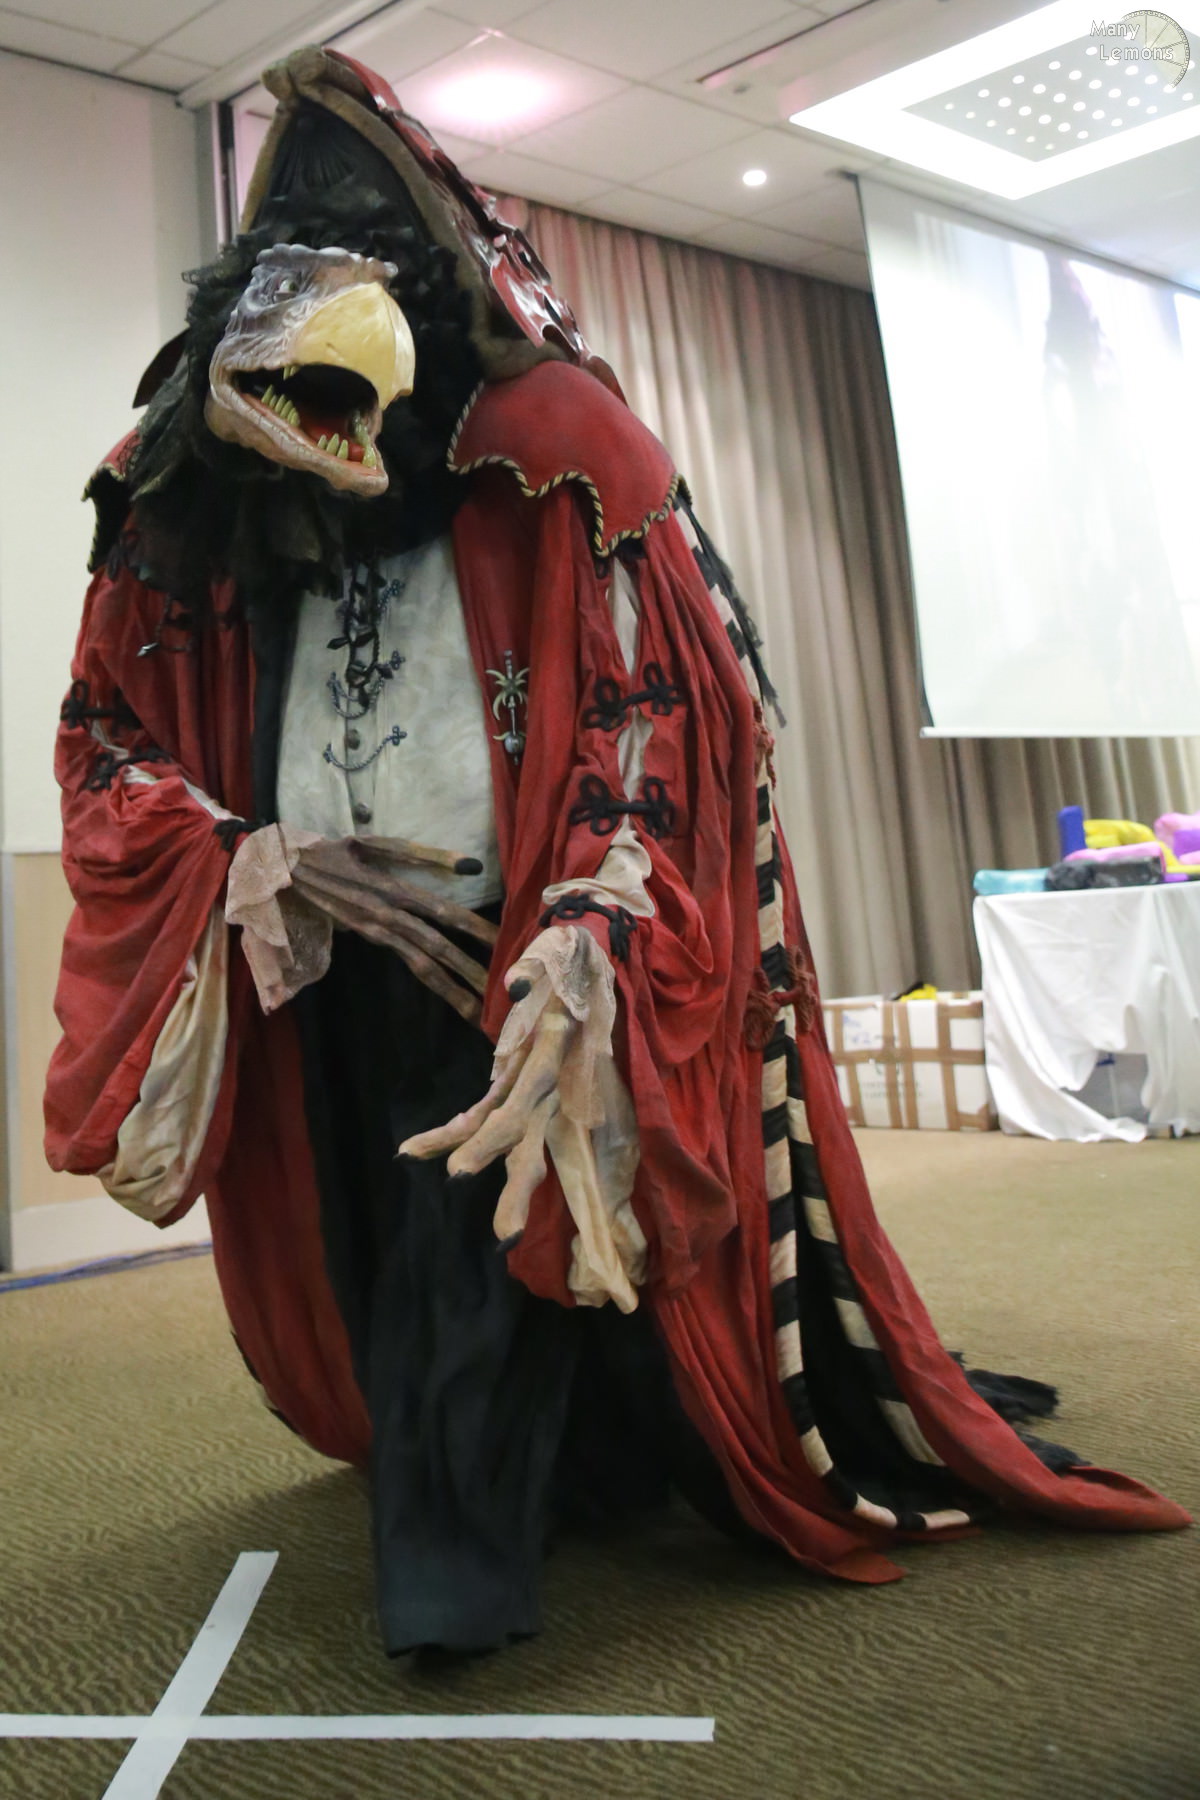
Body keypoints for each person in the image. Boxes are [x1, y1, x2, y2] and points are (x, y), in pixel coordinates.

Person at [45, 44, 1188, 1658]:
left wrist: (591, 915)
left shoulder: (552, 444)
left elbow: (655, 712)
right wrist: (246, 854)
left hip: (499, 931)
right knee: (366, 1233)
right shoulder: (181, 488)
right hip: (315, 943)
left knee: (482, 1225)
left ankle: (454, 1566)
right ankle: (561, 1461)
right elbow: (108, 728)